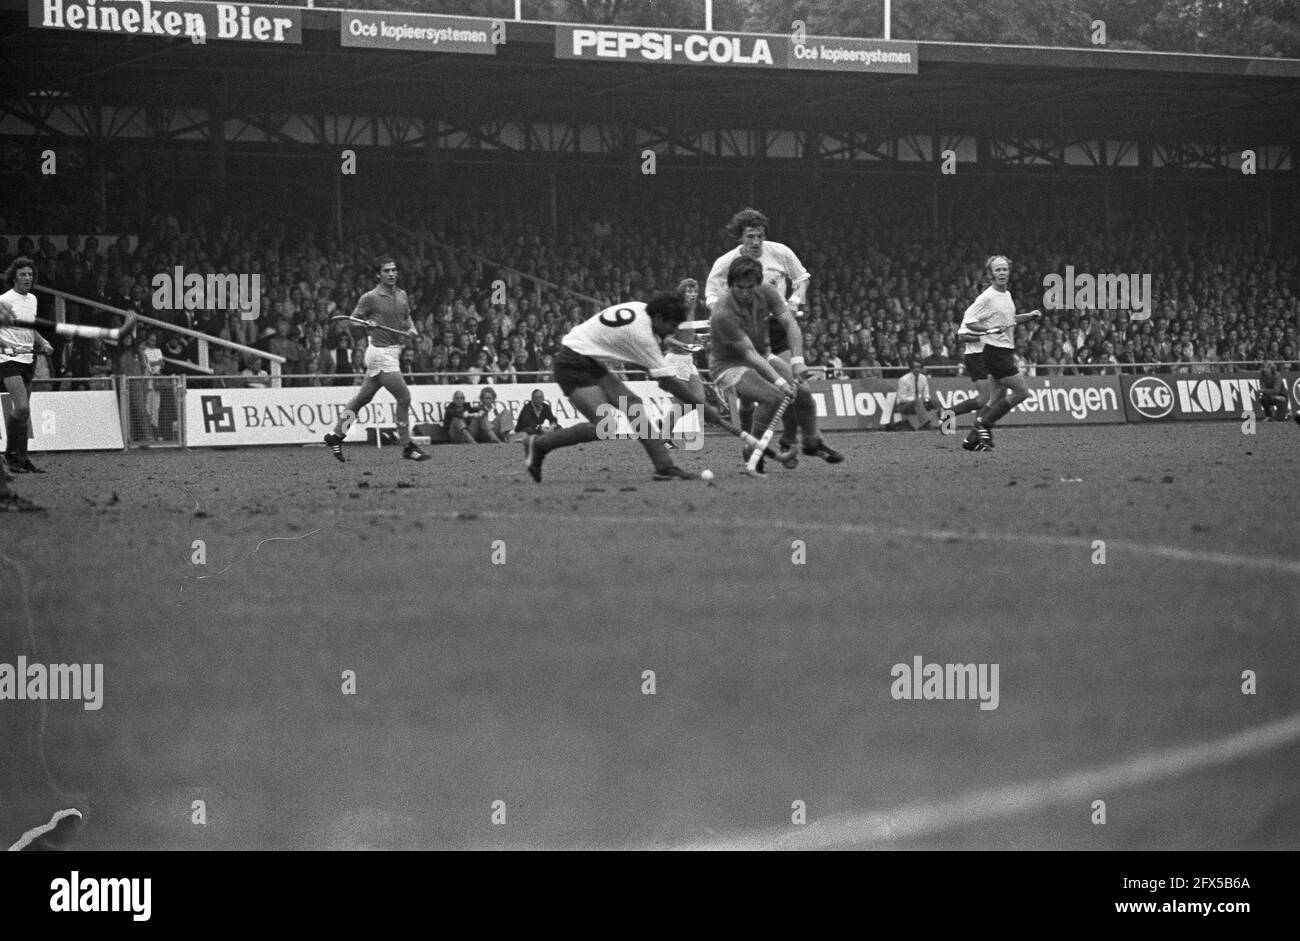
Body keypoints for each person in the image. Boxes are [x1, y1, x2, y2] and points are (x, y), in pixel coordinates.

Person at [523, 293, 722, 482]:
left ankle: (664, 467)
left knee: (633, 405)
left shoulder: (641, 308)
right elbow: (668, 382)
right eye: (671, 325)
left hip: (590, 360)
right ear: (659, 317)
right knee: (604, 425)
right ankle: (539, 444)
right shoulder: (644, 337)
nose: (672, 331)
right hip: (572, 363)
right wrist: (704, 407)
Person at [709, 256, 842, 473]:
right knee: (772, 398)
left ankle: (811, 443)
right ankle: (753, 450)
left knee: (804, 393)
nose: (744, 293)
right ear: (730, 284)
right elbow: (749, 355)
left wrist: (798, 361)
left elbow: (790, 323)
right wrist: (780, 382)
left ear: (758, 283)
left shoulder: (767, 292)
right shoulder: (723, 313)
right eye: (739, 287)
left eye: (750, 287)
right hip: (729, 365)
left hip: (764, 355)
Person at [704, 208, 810, 452]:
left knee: (795, 388)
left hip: (776, 326)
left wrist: (794, 300)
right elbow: (711, 296)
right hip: (745, 330)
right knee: (764, 392)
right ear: (740, 237)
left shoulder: (781, 252)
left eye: (760, 236)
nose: (756, 242)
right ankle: (749, 424)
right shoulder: (724, 263)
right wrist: (726, 314)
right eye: (750, 236)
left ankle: (788, 441)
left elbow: (802, 278)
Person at [322, 256, 425, 462]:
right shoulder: (370, 297)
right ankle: (406, 445)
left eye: (394, 270)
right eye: (386, 271)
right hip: (379, 353)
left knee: (362, 399)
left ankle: (336, 435)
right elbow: (352, 321)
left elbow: (407, 317)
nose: (391, 274)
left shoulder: (403, 295)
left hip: (393, 351)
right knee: (404, 397)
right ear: (379, 274)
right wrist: (366, 324)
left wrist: (412, 329)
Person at [959, 255, 1042, 451]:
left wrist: (1029, 316)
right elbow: (968, 320)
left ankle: (970, 441)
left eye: (1004, 269)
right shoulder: (987, 297)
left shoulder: (1007, 295)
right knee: (1022, 392)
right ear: (991, 274)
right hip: (995, 354)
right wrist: (986, 331)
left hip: (1002, 352)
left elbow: (1009, 320)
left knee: (993, 399)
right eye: (998, 270)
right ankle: (983, 424)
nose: (1002, 273)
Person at [0, 257, 54, 473]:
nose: (27, 278)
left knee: (24, 412)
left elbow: (30, 327)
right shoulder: (4, 300)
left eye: (30, 275)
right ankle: (10, 454)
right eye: (23, 274)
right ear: (14, 277)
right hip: (8, 360)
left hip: (27, 359)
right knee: (21, 407)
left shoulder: (32, 300)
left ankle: (23, 458)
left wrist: (42, 341)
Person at [891, 359, 940, 431]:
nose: (917, 369)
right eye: (915, 367)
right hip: (904, 406)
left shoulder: (923, 378)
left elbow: (926, 394)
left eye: (919, 367)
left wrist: (926, 399)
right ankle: (925, 424)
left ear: (921, 368)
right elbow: (901, 398)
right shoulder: (904, 379)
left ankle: (946, 424)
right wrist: (915, 399)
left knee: (936, 402)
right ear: (911, 368)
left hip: (918, 403)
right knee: (917, 401)